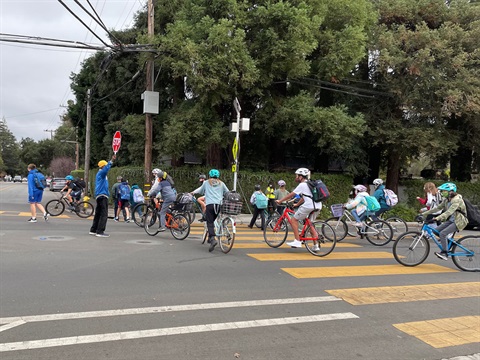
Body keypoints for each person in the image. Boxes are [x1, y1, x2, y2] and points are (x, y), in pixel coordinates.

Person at [275, 168, 322, 251]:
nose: (296, 177)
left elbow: (291, 195)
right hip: (318, 206)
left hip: (309, 206)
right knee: (310, 225)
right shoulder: (310, 184)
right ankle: (316, 246)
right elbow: (305, 197)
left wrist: (280, 201)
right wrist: (297, 204)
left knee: (293, 220)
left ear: (301, 177)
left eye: (297, 176)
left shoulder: (302, 185)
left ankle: (297, 241)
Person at [422, 182, 468, 261]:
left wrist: (437, 218)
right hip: (451, 220)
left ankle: (445, 253)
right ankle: (450, 244)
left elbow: (449, 212)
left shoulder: (456, 200)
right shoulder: (447, 200)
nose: (442, 193)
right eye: (442, 191)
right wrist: (424, 214)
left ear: (451, 192)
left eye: (444, 191)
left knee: (443, 233)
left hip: (459, 221)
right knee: (436, 231)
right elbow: (437, 208)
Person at [191, 169, 229, 252]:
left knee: (210, 222)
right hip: (219, 205)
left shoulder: (206, 182)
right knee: (214, 220)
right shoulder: (222, 183)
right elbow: (227, 192)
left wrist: (193, 192)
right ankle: (212, 236)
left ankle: (212, 239)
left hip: (210, 205)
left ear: (210, 175)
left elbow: (200, 190)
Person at [89, 155, 115, 237]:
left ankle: (93, 229)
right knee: (104, 214)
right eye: (105, 165)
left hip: (99, 195)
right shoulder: (102, 173)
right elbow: (106, 169)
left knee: (98, 213)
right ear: (103, 166)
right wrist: (111, 161)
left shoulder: (99, 174)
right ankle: (100, 231)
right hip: (103, 195)